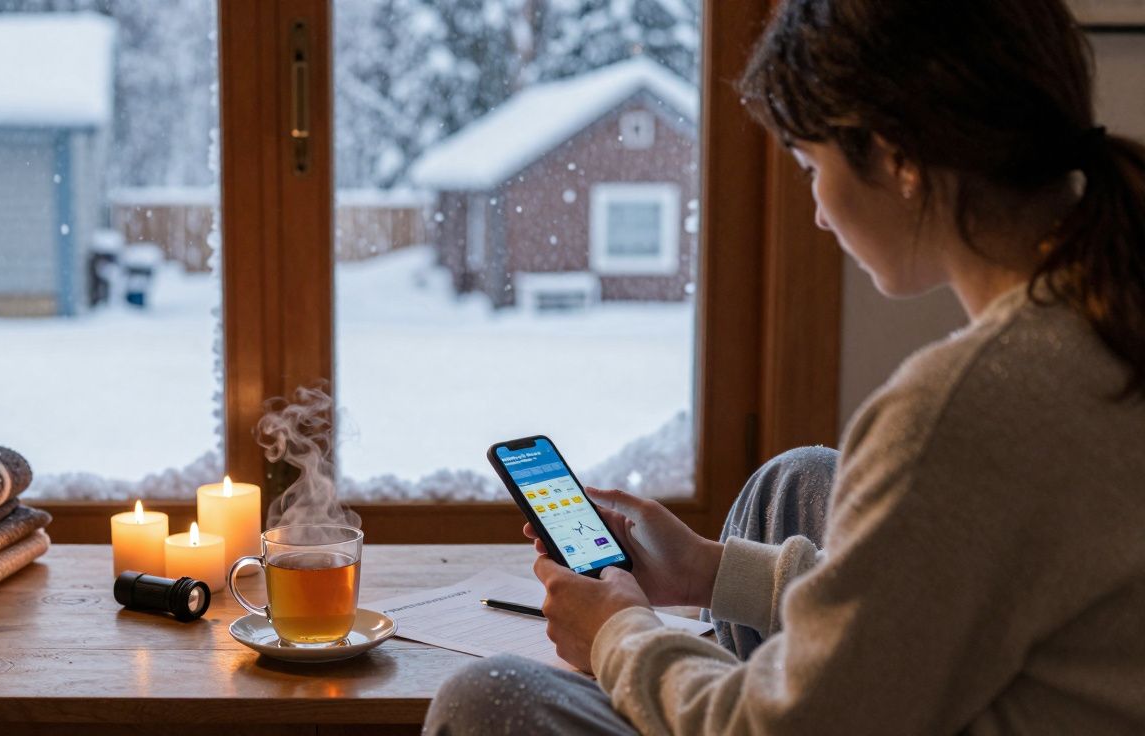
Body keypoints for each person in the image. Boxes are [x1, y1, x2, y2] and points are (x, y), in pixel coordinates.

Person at [423, 0, 1145, 732]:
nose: (820, 214)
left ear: (895, 156)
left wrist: (615, 634)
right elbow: (957, 579)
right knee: (796, 485)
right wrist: (708, 570)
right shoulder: (1103, 317)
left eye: (810, 168)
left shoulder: (960, 411)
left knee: (484, 701)